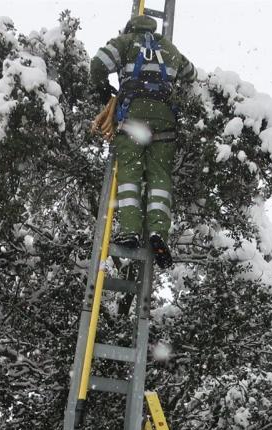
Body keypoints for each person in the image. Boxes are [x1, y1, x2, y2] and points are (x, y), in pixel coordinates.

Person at [90, 14, 197, 268]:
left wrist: (106, 92)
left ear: (130, 28)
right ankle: (158, 230)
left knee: (130, 174)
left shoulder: (125, 42)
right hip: (165, 118)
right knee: (160, 177)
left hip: (133, 117)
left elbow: (97, 65)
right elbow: (191, 75)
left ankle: (130, 229)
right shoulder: (170, 49)